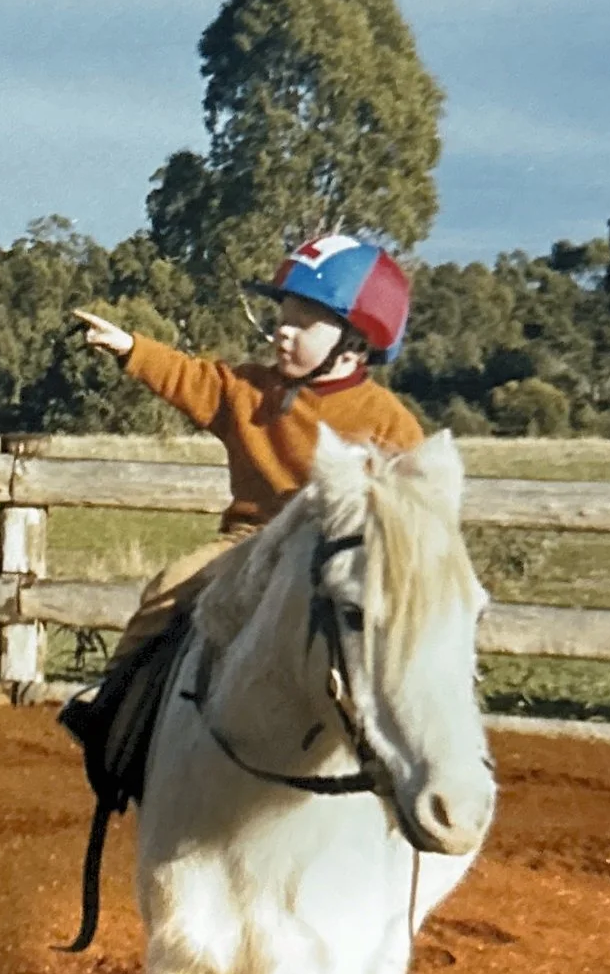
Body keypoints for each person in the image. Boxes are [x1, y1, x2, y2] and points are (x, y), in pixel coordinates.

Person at [73, 233, 426, 673]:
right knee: (169, 586)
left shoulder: (389, 423)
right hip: (248, 544)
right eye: (283, 318)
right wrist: (130, 347)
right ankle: (114, 698)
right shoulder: (247, 389)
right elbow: (189, 377)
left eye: (303, 323)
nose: (283, 331)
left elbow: (418, 511)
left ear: (356, 343)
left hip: (335, 556)